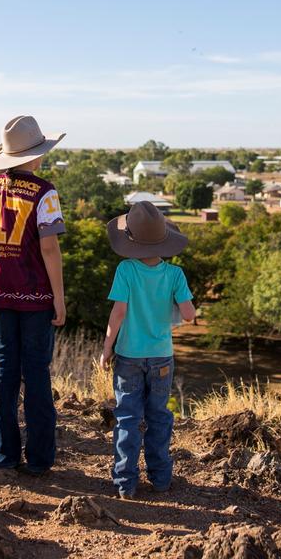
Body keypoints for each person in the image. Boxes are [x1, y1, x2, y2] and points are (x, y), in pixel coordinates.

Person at [0, 115, 68, 476]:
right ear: (36, 155)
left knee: (3, 372)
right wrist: (58, 298)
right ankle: (41, 459)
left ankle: (4, 455)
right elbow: (50, 250)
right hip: (35, 297)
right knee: (37, 374)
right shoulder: (45, 192)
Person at [99, 201, 196, 499]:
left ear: (130, 240)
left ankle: (125, 483)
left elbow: (118, 313)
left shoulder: (126, 270)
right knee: (159, 416)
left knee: (128, 417)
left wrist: (107, 348)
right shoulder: (175, 275)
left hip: (129, 355)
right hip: (162, 356)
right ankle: (161, 478)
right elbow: (189, 315)